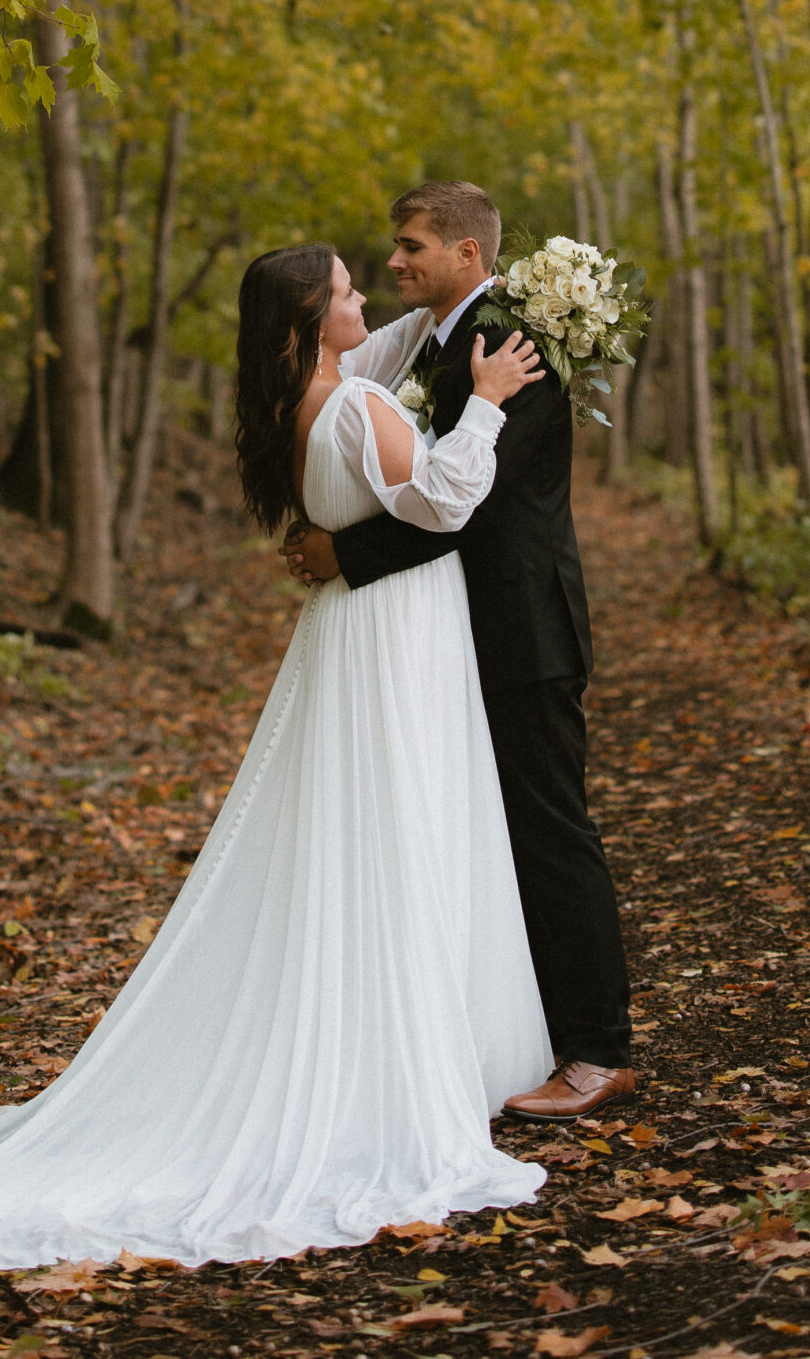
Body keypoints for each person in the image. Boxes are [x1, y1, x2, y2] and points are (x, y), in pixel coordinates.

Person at [0, 243, 551, 1269]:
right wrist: (484, 403)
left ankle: (390, 1041)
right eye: (347, 288)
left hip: (358, 632)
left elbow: (397, 339)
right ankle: (385, 1068)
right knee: (396, 832)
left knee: (366, 836)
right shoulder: (356, 407)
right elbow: (445, 500)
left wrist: (478, 296)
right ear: (312, 320)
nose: (367, 293)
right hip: (388, 637)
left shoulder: (304, 400)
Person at [286, 180, 635, 1120]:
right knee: (486, 836)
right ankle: (505, 1035)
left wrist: (341, 555)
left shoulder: (509, 345)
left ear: (466, 255)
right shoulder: (437, 340)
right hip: (450, 634)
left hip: (522, 627)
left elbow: (462, 508)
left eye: (411, 246)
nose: (395, 261)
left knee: (548, 831)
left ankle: (597, 1050)